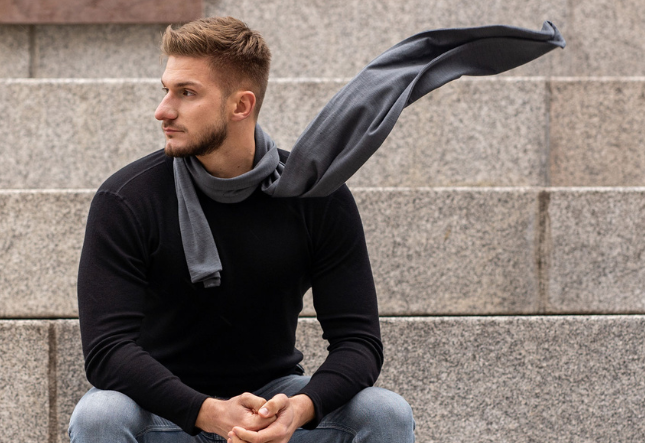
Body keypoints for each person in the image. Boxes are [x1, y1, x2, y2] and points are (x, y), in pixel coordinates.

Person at [69, 16, 415, 443]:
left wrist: (299, 411)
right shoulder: (126, 200)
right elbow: (107, 352)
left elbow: (359, 342)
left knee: (384, 412)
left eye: (186, 93)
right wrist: (206, 412)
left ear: (240, 105)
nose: (163, 110)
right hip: (162, 412)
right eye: (166, 90)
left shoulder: (316, 196)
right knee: (100, 414)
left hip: (271, 405)